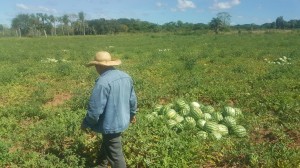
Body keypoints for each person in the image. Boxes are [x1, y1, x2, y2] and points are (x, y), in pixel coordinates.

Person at [81, 51, 138, 168]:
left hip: (110, 124)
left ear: (98, 66)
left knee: (116, 156)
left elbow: (95, 110)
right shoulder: (126, 76)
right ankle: (101, 164)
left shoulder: (102, 82)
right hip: (122, 120)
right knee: (108, 143)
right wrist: (132, 114)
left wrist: (86, 123)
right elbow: (132, 100)